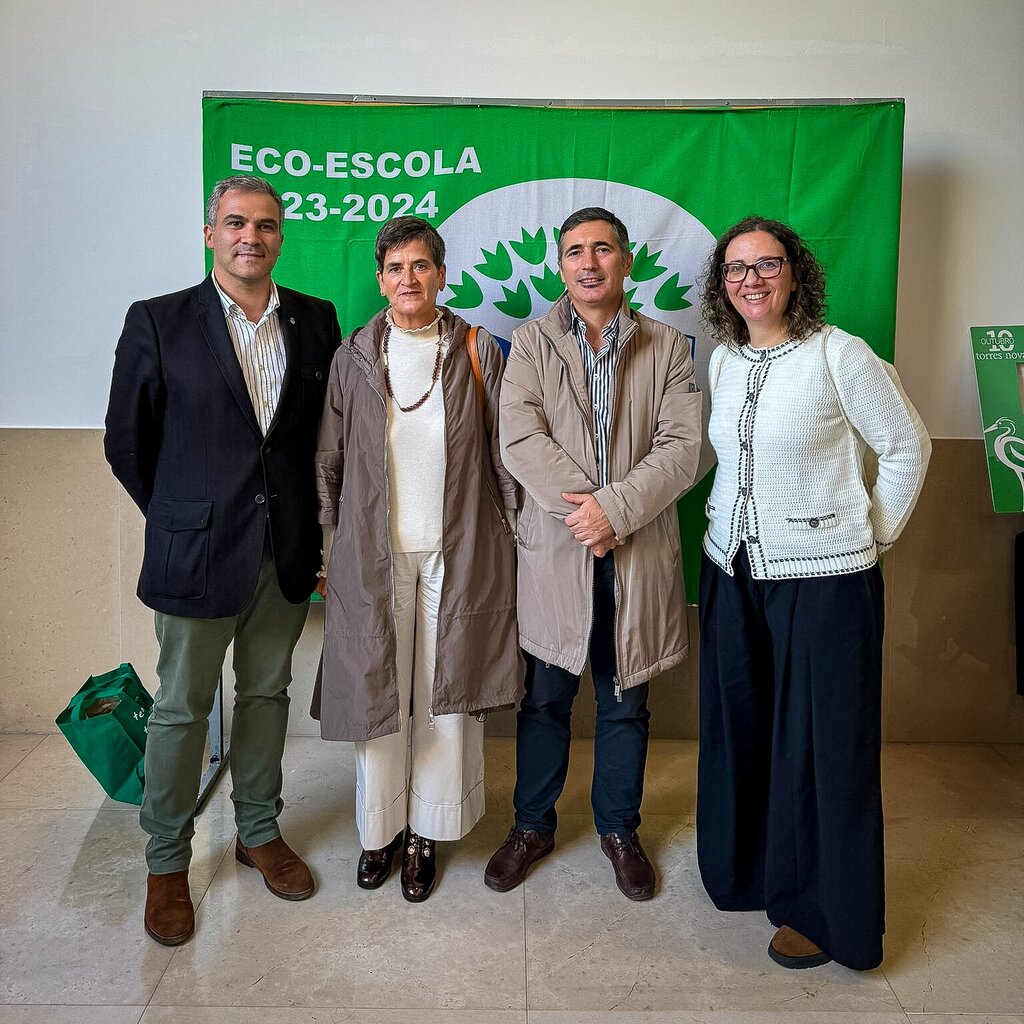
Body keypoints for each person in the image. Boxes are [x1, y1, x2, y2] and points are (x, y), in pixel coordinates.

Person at [104, 175, 341, 945]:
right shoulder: (159, 321)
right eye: (236, 223)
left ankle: (258, 833)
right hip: (196, 556)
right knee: (179, 710)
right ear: (211, 234)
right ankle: (166, 862)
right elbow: (128, 444)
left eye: (266, 225)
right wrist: (183, 519)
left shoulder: (316, 320)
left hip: (285, 552)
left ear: (281, 237)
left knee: (267, 694)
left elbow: (316, 443)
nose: (252, 236)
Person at [696, 215, 931, 971]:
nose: (752, 280)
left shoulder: (840, 355)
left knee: (824, 751)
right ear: (721, 284)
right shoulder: (726, 359)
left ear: (795, 274)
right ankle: (750, 873)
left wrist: (873, 538)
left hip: (827, 580)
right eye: (736, 269)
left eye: (767, 265)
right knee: (742, 730)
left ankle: (829, 915)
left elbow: (906, 447)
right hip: (733, 572)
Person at [485, 207, 702, 900]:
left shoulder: (668, 347)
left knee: (625, 702)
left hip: (635, 555)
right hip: (558, 552)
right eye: (575, 250)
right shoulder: (529, 343)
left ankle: (618, 829)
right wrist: (589, 517)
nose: (588, 262)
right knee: (544, 701)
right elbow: (519, 440)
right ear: (559, 264)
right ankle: (532, 827)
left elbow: (684, 448)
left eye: (602, 248)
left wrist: (616, 513)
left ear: (626, 260)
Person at [312, 216, 521, 903]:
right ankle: (380, 830)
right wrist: (328, 543)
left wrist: (515, 531)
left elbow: (504, 454)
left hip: (459, 552)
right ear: (381, 279)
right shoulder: (353, 355)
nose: (409, 279)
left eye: (421, 266)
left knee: (446, 692)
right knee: (379, 692)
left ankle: (429, 830)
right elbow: (330, 460)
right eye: (396, 268)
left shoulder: (476, 349)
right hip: (372, 556)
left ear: (441, 275)